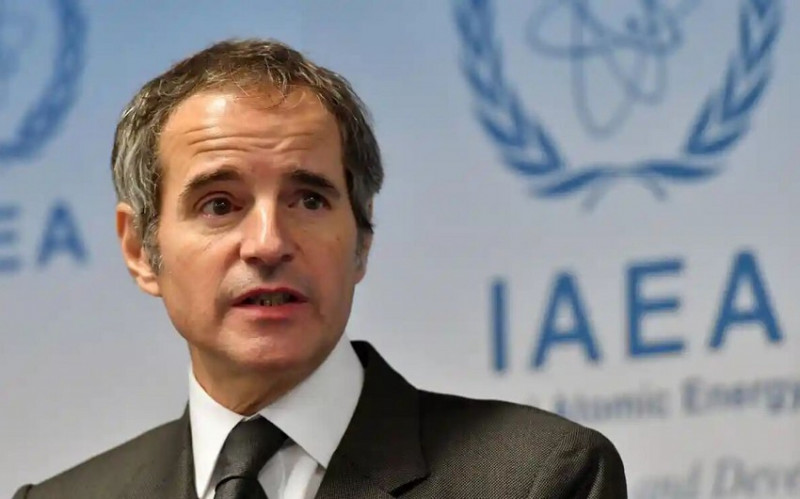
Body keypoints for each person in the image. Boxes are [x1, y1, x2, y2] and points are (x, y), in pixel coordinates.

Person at [13, 38, 627, 499]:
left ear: (362, 238)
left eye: (308, 200)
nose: (268, 244)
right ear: (141, 250)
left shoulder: (537, 478)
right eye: (219, 204)